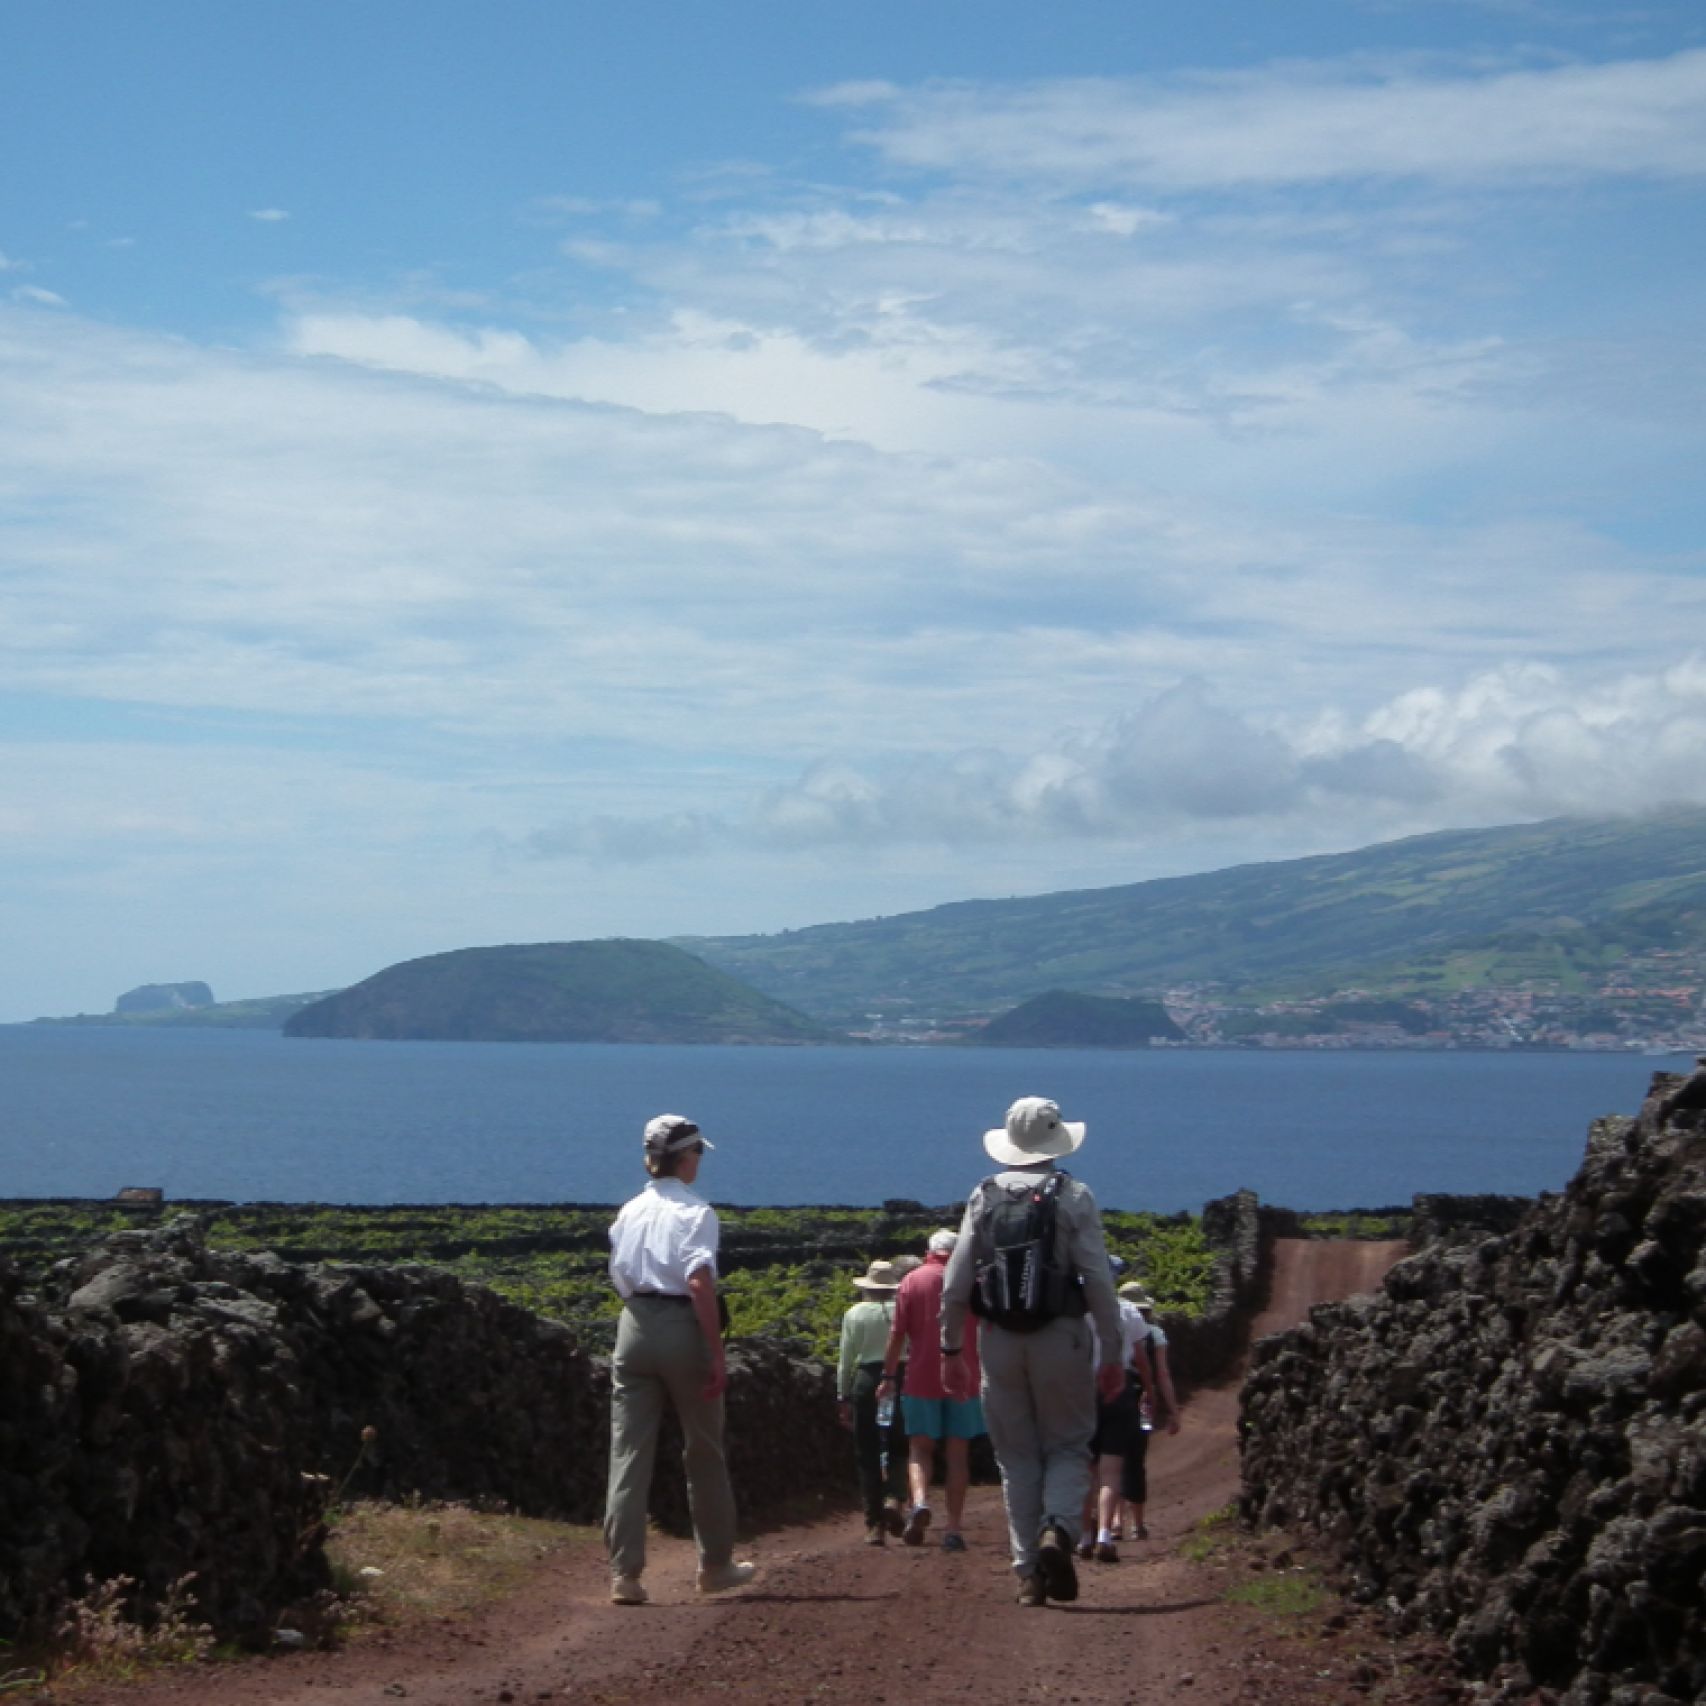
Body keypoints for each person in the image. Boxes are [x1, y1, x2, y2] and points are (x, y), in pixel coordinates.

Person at [940, 1097, 1125, 1606]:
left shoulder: (984, 1194)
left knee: (1015, 1457)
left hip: (998, 1340)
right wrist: (1112, 1352)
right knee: (1067, 1444)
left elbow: (956, 1280)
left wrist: (949, 1346)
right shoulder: (1074, 1196)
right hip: (1061, 1336)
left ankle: (1027, 1574)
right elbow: (1098, 1280)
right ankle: (1058, 1531)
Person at [603, 1113, 756, 1605]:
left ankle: (624, 1574)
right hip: (681, 1327)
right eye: (697, 1154)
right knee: (703, 1449)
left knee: (628, 1452)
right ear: (686, 1156)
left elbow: (619, 1274)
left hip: (634, 1324)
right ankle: (715, 1564)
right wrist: (716, 1351)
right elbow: (698, 1282)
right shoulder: (696, 1212)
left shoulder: (628, 1211)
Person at [876, 1228, 985, 1552]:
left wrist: (888, 1375)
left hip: (921, 1377)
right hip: (965, 1379)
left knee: (920, 1449)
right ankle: (953, 1528)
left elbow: (897, 1334)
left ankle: (920, 1501)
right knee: (957, 1453)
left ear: (929, 1250)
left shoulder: (913, 1281)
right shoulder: (972, 1282)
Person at [1078, 1264, 1157, 1563]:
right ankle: (1104, 1535)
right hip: (1120, 1389)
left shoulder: (1078, 1313)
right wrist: (1149, 1391)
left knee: (1087, 1470)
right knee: (1112, 1471)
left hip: (1085, 1390)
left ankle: (1084, 1537)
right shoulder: (1128, 1311)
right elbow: (1141, 1358)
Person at [836, 1259, 909, 1545]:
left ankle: (873, 1524)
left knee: (866, 1452)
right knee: (899, 1443)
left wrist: (842, 1396)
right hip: (900, 1376)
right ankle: (895, 1496)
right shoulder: (901, 1310)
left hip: (866, 1379)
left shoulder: (854, 1314)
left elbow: (845, 1360)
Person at [1116, 1281, 1180, 1542]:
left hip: (1110, 1398)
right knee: (1135, 1460)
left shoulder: (1110, 1329)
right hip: (1142, 1402)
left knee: (1111, 1459)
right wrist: (1173, 1410)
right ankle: (1138, 1523)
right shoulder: (1154, 1334)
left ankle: (1115, 1521)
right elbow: (1162, 1374)